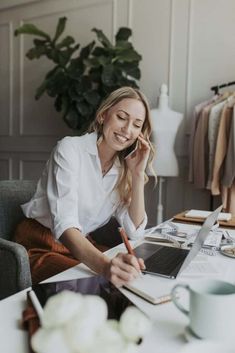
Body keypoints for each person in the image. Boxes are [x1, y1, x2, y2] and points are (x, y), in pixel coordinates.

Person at [14, 86, 155, 287]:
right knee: (102, 283)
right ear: (103, 116)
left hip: (80, 246)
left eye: (137, 124)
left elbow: (136, 231)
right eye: (122, 117)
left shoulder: (124, 169)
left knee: (132, 277)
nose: (127, 129)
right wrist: (106, 267)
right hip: (40, 245)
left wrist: (138, 174)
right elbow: (64, 224)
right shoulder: (70, 149)